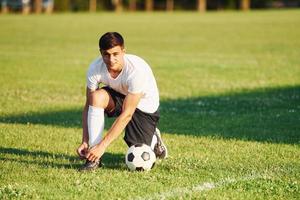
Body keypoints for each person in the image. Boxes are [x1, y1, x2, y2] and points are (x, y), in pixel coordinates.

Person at [76, 32, 168, 171]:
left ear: (123, 51)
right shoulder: (95, 68)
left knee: (140, 150)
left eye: (115, 54)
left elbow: (127, 114)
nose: (111, 59)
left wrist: (103, 146)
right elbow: (88, 106)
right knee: (96, 97)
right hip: (120, 96)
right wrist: (85, 141)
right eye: (106, 54)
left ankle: (154, 140)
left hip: (143, 106)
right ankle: (94, 159)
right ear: (101, 53)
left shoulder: (136, 70)